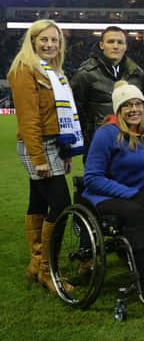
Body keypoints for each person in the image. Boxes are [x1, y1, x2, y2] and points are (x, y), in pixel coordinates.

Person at [83, 81, 144, 301]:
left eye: (138, 104)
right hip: (104, 196)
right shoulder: (107, 134)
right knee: (137, 211)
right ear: (118, 109)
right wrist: (132, 194)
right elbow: (92, 178)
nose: (134, 109)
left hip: (136, 197)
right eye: (128, 105)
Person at [8, 19, 83, 293]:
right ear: (32, 40)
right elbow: (29, 120)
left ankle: (36, 265)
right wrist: (39, 157)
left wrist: (65, 150)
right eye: (44, 39)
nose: (50, 44)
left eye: (55, 40)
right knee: (61, 203)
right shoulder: (24, 71)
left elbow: (59, 117)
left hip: (54, 144)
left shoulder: (53, 72)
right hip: (37, 145)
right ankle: (48, 270)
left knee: (38, 202)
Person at [71, 26, 144, 159]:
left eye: (120, 42)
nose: (115, 46)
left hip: (132, 144)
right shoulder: (85, 74)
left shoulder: (137, 74)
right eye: (111, 42)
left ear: (126, 46)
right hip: (99, 145)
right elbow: (76, 111)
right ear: (101, 45)